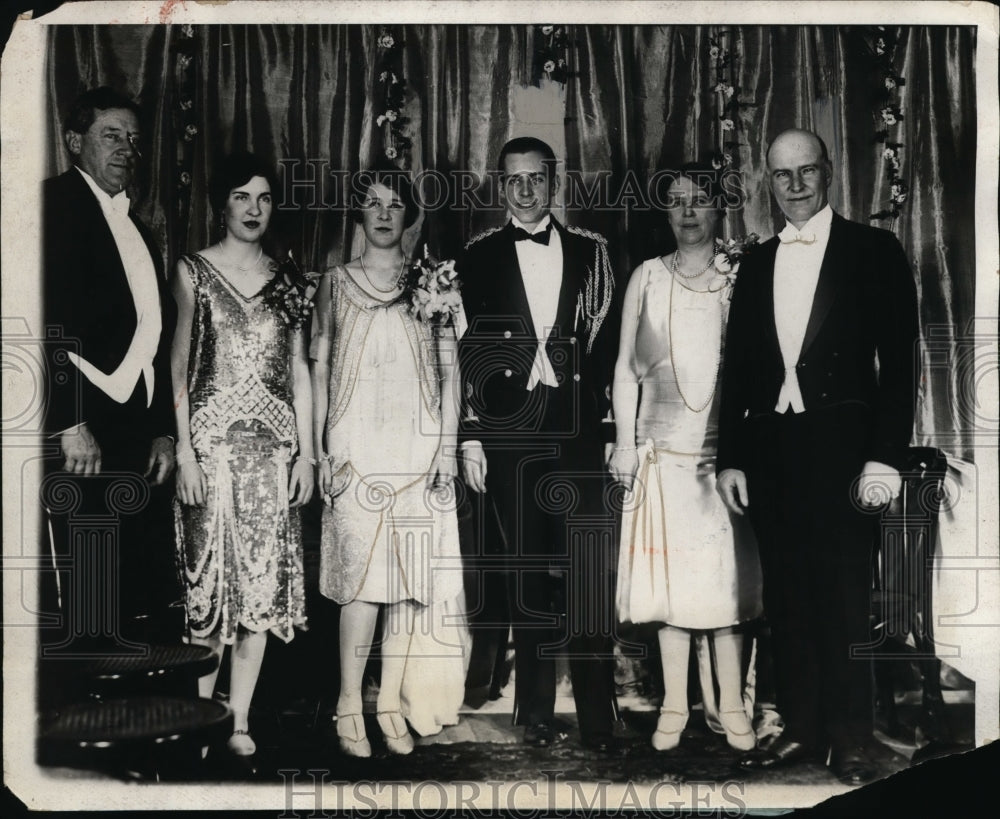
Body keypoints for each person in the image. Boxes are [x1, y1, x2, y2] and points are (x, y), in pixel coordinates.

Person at [716, 128, 919, 785]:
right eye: (782, 174)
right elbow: (739, 369)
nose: (795, 184)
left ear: (828, 172)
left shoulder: (873, 250)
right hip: (772, 453)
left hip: (846, 454)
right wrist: (730, 457)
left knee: (845, 596)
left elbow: (901, 367)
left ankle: (852, 736)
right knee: (788, 597)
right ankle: (803, 730)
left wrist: (884, 457)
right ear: (768, 182)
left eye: (806, 170)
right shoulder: (756, 262)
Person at [459, 137, 620, 753]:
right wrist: (472, 435)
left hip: (578, 431)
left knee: (587, 574)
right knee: (525, 572)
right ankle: (535, 713)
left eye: (536, 178)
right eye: (514, 180)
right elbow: (466, 352)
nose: (525, 191)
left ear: (554, 182)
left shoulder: (592, 251)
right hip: (510, 434)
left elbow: (608, 346)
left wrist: (610, 429)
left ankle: (600, 718)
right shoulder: (477, 257)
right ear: (501, 186)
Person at [312, 168, 467, 758]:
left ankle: (390, 705)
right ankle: (349, 704)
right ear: (358, 214)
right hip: (355, 451)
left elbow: (451, 374)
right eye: (372, 203)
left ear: (410, 216)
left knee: (408, 583)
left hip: (418, 452)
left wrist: (446, 449)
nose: (383, 214)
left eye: (395, 204)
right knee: (360, 583)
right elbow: (319, 371)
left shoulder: (434, 280)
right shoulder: (334, 283)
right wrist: (323, 450)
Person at [611, 165, 763, 752]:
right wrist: (626, 446)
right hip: (662, 456)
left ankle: (733, 706)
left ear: (720, 208)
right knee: (670, 588)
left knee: (727, 587)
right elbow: (625, 370)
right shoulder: (646, 277)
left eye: (700, 200)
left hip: (726, 460)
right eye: (676, 201)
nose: (688, 212)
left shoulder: (741, 275)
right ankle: (674, 705)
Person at [171, 151, 315, 757]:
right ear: (221, 205)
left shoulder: (289, 281)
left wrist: (307, 455)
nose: (253, 209)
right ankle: (201, 720)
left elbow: (301, 373)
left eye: (264, 198)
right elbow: (179, 368)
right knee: (208, 590)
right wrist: (184, 453)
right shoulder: (194, 272)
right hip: (210, 455)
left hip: (272, 457)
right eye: (240, 197)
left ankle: (239, 722)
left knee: (259, 590)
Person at [41, 86, 176, 657]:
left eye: (134, 139)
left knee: (131, 583)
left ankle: (135, 702)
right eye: (111, 136)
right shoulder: (50, 205)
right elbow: (36, 318)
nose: (127, 149)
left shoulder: (138, 227)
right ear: (75, 142)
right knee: (88, 585)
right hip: (85, 427)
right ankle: (88, 702)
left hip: (134, 429)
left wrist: (163, 429)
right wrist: (69, 421)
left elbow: (157, 337)